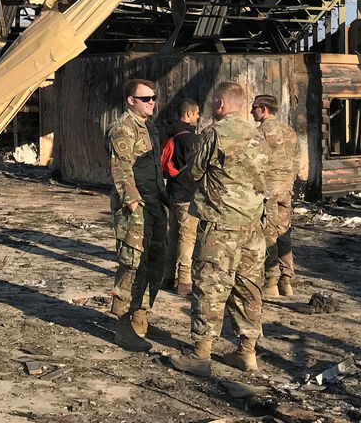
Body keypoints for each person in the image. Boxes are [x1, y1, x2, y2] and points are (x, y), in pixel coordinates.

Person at [173, 81, 269, 376]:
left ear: (220, 103)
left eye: (213, 101)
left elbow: (194, 172)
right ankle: (247, 353)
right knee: (249, 288)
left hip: (220, 225)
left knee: (210, 288)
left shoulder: (213, 134)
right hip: (253, 227)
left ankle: (201, 356)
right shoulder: (257, 136)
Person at [105, 78, 167, 352]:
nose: (152, 102)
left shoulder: (149, 127)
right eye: (146, 98)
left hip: (154, 204)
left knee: (154, 262)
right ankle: (122, 325)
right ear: (131, 101)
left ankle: (140, 317)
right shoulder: (122, 129)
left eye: (153, 97)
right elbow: (122, 169)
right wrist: (133, 205)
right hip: (137, 207)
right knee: (131, 264)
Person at [252, 94, 298, 298]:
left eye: (254, 107)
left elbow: (254, 162)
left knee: (268, 233)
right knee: (284, 232)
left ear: (263, 108)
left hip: (268, 190)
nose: (252, 111)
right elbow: (296, 160)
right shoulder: (289, 132)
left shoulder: (260, 133)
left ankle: (270, 280)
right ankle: (286, 280)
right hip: (286, 189)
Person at [163, 98, 200, 297]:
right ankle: (185, 281)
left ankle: (167, 276)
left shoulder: (169, 133)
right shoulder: (189, 139)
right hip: (187, 193)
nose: (198, 117)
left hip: (173, 191)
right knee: (188, 237)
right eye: (196, 113)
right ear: (188, 114)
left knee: (173, 234)